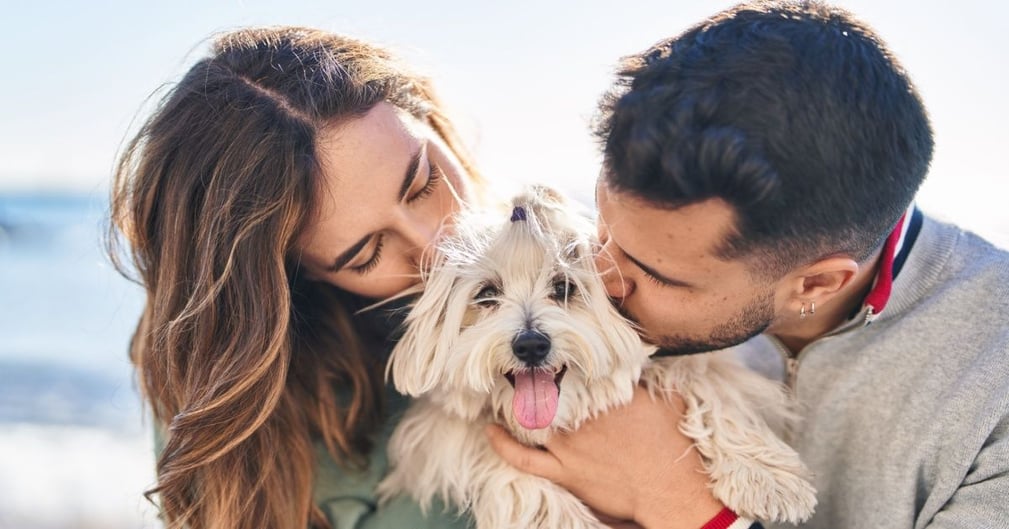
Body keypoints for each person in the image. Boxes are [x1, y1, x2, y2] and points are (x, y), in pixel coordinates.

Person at [486, 1, 1009, 528]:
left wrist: (674, 501)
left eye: (658, 274)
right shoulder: (605, 292)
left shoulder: (994, 384)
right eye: (601, 231)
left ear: (816, 284)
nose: (599, 277)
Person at [108, 26, 490, 529]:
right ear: (290, 282)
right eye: (367, 253)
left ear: (425, 112)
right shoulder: (242, 424)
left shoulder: (589, 264)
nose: (437, 246)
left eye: (423, 183)